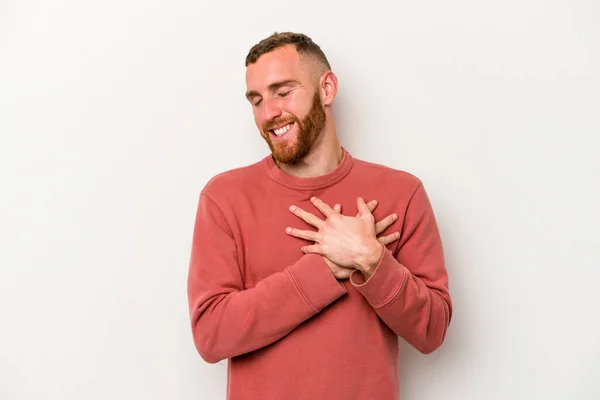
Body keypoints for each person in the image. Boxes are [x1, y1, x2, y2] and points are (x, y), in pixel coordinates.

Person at [187, 32, 452, 400]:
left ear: (326, 89)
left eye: (283, 92)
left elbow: (432, 331)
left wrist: (371, 259)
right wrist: (324, 269)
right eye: (257, 100)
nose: (269, 113)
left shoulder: (401, 193)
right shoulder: (224, 198)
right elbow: (211, 335)